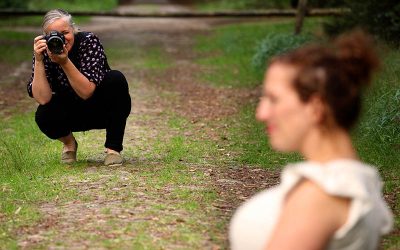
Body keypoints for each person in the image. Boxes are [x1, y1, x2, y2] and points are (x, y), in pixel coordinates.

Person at [229, 31, 393, 250]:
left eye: (273, 99)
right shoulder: (358, 182)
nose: (261, 113)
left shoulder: (321, 195)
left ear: (316, 107)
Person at [27, 9, 131, 166]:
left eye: (65, 33)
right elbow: (42, 98)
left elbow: (87, 92)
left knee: (116, 79)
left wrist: (64, 62)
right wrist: (39, 60)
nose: (61, 39)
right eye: (55, 35)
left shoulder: (88, 42)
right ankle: (69, 144)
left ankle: (113, 149)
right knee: (44, 113)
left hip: (100, 108)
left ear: (73, 30)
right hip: (70, 110)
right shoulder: (44, 51)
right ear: (45, 37)